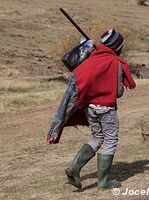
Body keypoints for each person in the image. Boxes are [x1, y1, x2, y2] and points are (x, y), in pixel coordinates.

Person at [47, 29, 136, 189]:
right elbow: (119, 92)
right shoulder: (115, 62)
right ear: (117, 47)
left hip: (90, 108)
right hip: (106, 109)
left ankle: (74, 168)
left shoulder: (91, 59)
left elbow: (81, 78)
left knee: (97, 137)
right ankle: (103, 182)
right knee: (110, 140)